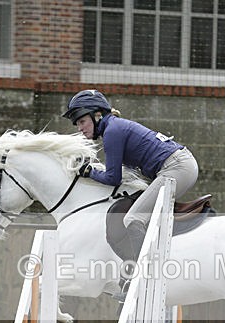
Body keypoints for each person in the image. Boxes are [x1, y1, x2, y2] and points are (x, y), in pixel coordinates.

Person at [62, 89, 199, 262]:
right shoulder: (114, 127)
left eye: (82, 121)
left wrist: (89, 172)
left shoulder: (112, 132)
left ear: (97, 116)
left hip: (176, 168)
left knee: (134, 218)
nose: (80, 128)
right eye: (77, 124)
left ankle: (144, 272)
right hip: (178, 165)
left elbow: (113, 178)